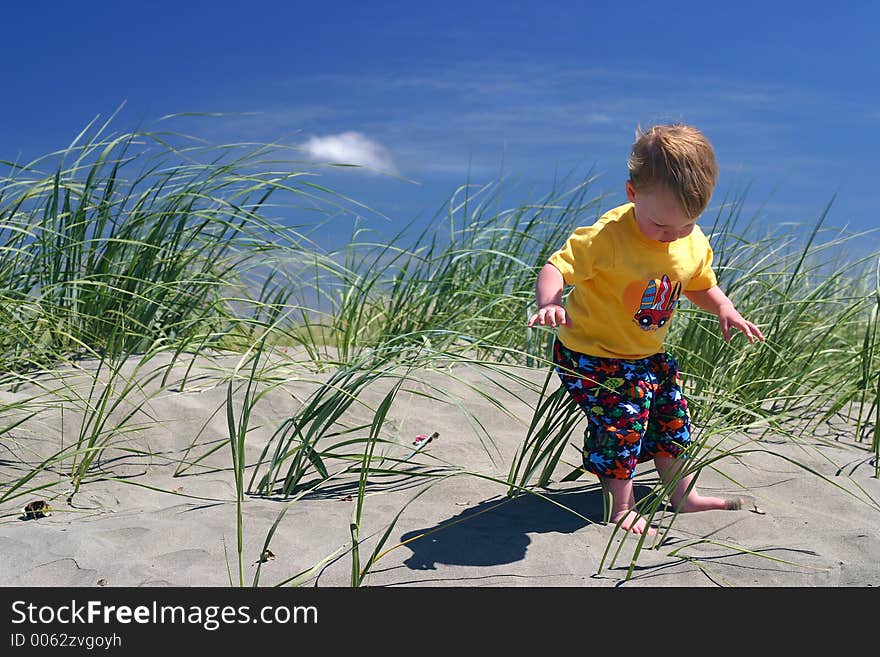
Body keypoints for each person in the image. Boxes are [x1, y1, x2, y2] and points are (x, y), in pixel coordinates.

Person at [527, 123, 765, 536]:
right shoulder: (608, 236)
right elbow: (556, 267)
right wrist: (550, 302)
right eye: (660, 226)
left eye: (685, 225)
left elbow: (699, 283)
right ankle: (622, 507)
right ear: (632, 194)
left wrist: (725, 307)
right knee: (622, 421)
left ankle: (682, 495)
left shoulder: (690, 239)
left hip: (645, 354)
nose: (672, 236)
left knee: (672, 418)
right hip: (590, 353)